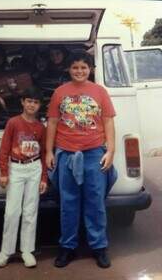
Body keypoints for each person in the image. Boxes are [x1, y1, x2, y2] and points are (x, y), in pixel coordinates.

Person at [46, 50, 117, 269]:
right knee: (68, 203)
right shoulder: (60, 92)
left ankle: (99, 247)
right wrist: (49, 152)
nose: (79, 71)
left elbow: (107, 122)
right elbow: (53, 123)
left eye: (83, 67)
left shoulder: (100, 92)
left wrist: (111, 151)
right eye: (75, 67)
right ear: (69, 69)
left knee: (95, 203)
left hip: (94, 153)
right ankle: (67, 247)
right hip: (66, 154)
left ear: (90, 69)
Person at [0, 87, 47, 268]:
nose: (32, 105)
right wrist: (3, 172)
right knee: (12, 211)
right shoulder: (13, 123)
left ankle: (27, 250)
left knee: (30, 211)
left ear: (39, 105)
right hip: (16, 168)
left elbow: (45, 152)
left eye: (36, 102)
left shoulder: (41, 127)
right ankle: (6, 250)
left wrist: (44, 178)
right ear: (22, 102)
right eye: (29, 101)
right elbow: (4, 149)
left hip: (34, 168)